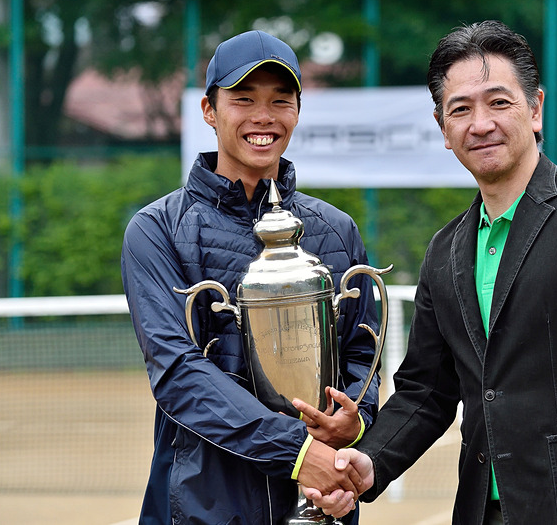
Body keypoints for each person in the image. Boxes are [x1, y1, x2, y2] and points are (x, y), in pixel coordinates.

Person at [300, 20, 557, 524]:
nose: (480, 123)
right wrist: (369, 463)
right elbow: (426, 391)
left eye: (498, 102)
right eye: (460, 109)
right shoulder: (446, 249)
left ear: (536, 109)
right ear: (443, 129)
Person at [121, 30, 378, 525]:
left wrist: (355, 424)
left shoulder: (336, 230)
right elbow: (178, 373)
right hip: (201, 507)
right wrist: (300, 453)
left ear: (298, 112)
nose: (264, 117)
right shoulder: (157, 230)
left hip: (322, 500)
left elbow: (361, 354)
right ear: (209, 110)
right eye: (243, 99)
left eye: (281, 100)